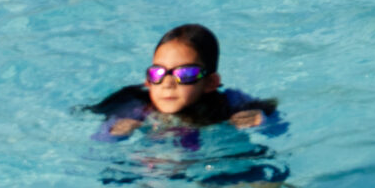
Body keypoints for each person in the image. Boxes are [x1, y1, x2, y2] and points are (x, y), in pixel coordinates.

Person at [90, 24, 278, 141]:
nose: (168, 83)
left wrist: (263, 120)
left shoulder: (231, 102)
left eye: (185, 73)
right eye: (158, 73)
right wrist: (113, 132)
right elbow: (97, 141)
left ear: (211, 82)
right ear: (148, 82)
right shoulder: (136, 107)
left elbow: (278, 127)